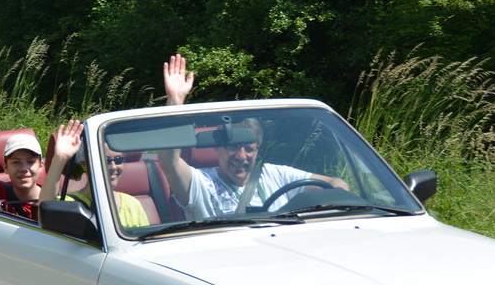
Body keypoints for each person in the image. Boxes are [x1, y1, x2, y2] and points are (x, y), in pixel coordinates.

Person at [157, 54, 347, 218]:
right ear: (217, 148)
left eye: (249, 149)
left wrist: (334, 203)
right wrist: (175, 101)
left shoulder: (275, 175)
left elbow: (336, 183)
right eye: (233, 147)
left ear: (257, 151)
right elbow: (168, 163)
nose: (241, 156)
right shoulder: (202, 183)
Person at [39, 119, 153, 228]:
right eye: (105, 160)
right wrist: (60, 158)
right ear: (85, 165)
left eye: (119, 160)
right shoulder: (69, 204)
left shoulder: (133, 204)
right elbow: (45, 215)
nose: (113, 167)